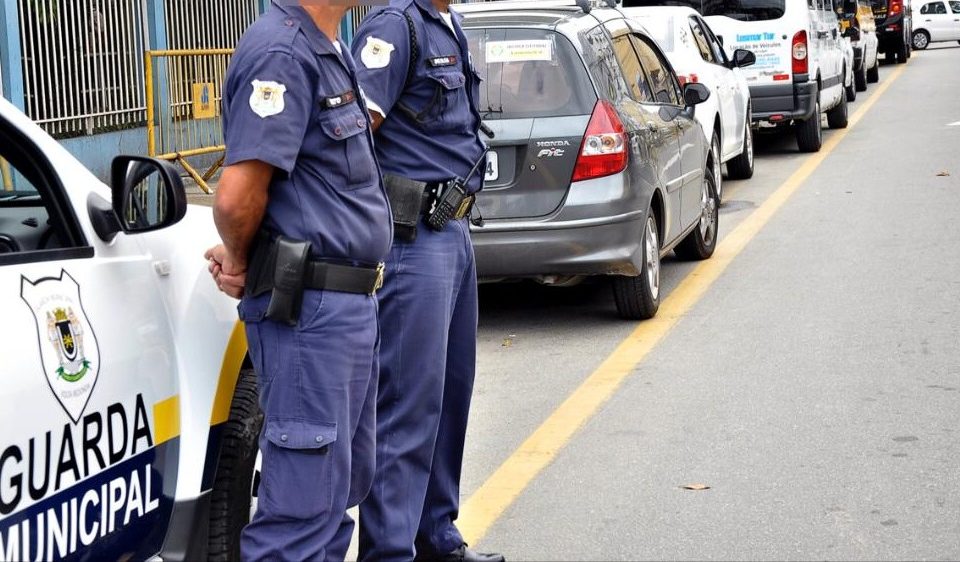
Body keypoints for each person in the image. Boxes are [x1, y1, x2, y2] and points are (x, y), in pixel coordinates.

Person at [204, 1, 392, 559]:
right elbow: (236, 197)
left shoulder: (326, 47)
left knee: (334, 501)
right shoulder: (282, 52)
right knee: (301, 517)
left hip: (347, 307)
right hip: (312, 313)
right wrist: (241, 259)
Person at [352, 2, 504, 561]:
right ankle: (390, 550)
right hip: (411, 239)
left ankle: (436, 536)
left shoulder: (446, 23)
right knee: (406, 407)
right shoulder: (395, 26)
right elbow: (351, 137)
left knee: (449, 394)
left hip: (453, 229)